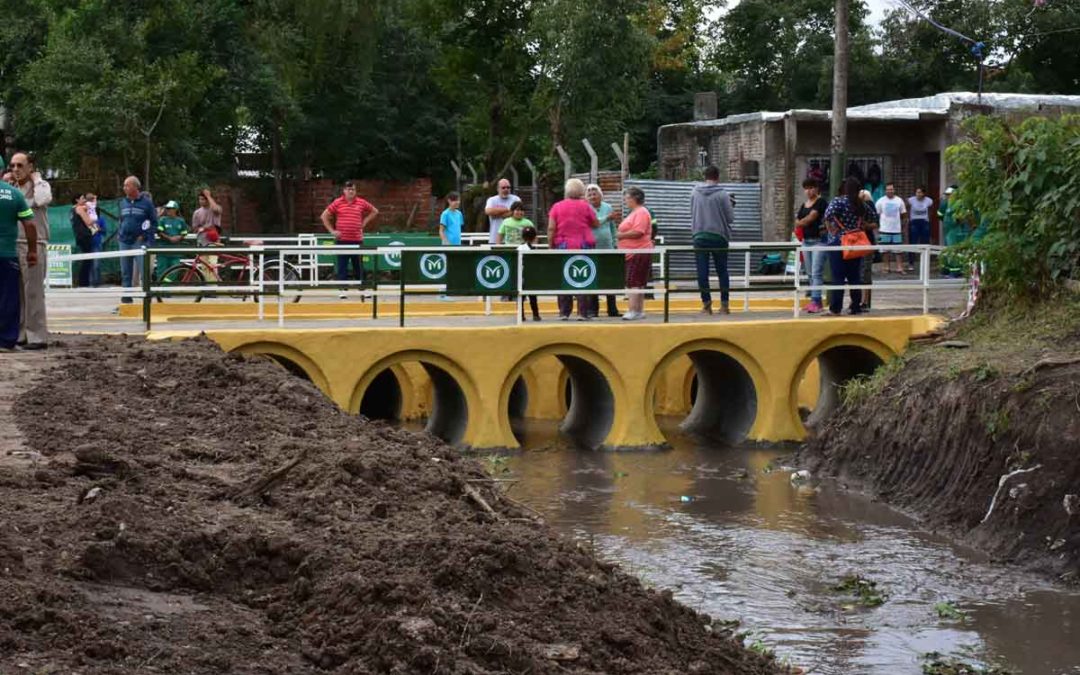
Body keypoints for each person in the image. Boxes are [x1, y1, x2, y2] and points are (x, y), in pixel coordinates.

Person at [3, 153, 50, 349]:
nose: (15, 169)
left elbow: (41, 200)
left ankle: (37, 336)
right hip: (14, 244)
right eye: (12, 165)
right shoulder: (12, 189)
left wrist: (36, 180)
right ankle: (21, 333)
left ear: (30, 167)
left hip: (34, 243)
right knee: (18, 293)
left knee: (33, 292)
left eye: (20, 165)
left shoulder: (41, 185)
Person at [548, 178, 598, 320]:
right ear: (581, 191)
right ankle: (583, 312)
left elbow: (551, 228)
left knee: (564, 278)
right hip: (583, 246)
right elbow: (595, 223)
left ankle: (564, 312)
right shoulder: (586, 206)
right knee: (583, 277)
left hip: (563, 246)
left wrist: (551, 245)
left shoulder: (557, 206)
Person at [320, 180, 378, 300]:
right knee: (342, 266)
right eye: (348, 189)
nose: (351, 191)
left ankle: (362, 289)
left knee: (359, 266)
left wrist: (364, 222)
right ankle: (343, 290)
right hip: (342, 240)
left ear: (355, 191)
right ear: (344, 191)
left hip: (357, 240)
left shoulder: (361, 202)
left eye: (353, 189)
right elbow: (324, 216)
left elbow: (374, 211)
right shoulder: (338, 202)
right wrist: (332, 231)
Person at [690, 165, 735, 315]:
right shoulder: (723, 194)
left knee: (702, 271)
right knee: (722, 271)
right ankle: (724, 305)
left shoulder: (695, 192)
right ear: (718, 177)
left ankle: (706, 305)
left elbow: (692, 212)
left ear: (705, 176)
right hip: (719, 236)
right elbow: (730, 218)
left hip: (699, 235)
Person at [0, 177, 38, 351]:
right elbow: (30, 224)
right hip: (7, 254)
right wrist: (32, 251)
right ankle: (5, 341)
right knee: (8, 298)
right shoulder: (14, 194)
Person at [823, 176, 868, 315]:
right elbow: (873, 217)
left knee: (838, 276)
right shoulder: (861, 204)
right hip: (856, 243)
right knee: (854, 276)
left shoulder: (838, 201)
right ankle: (855, 306)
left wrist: (832, 230)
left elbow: (827, 215)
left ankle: (836, 308)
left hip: (839, 242)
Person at [118, 176, 156, 304]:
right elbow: (121, 219)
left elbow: (153, 222)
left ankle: (147, 297)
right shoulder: (123, 203)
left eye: (127, 185)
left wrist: (144, 235)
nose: (124, 188)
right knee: (125, 271)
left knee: (144, 270)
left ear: (135, 187)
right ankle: (126, 297)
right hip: (124, 241)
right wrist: (120, 232)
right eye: (124, 185)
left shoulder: (146, 203)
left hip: (140, 241)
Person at [616, 187, 652, 321]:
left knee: (633, 281)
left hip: (638, 251)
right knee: (638, 281)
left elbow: (638, 231)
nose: (625, 200)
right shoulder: (636, 212)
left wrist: (620, 235)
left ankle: (633, 310)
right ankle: (638, 310)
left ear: (635, 198)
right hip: (633, 251)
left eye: (627, 198)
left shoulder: (641, 212)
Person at [795, 178, 829, 314]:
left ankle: (816, 301)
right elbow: (797, 220)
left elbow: (811, 218)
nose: (809, 191)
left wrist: (801, 222)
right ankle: (814, 300)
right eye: (806, 188)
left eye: (811, 188)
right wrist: (800, 222)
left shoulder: (821, 202)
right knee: (809, 272)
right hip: (806, 240)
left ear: (816, 189)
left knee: (816, 272)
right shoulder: (804, 204)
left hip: (819, 241)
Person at [586, 183, 620, 318]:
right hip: (592, 248)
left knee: (610, 278)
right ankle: (593, 309)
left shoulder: (608, 207)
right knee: (593, 277)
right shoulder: (586, 208)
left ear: (600, 195)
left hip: (608, 247)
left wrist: (615, 243)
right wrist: (607, 218)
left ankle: (612, 309)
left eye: (594, 194)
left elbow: (612, 227)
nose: (592, 196)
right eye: (589, 194)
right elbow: (592, 223)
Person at [875, 183, 907, 274]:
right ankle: (886, 267)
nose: (890, 191)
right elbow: (876, 215)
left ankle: (899, 267)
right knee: (885, 250)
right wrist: (877, 228)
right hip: (884, 229)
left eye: (891, 189)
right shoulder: (880, 201)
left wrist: (904, 227)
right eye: (888, 189)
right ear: (885, 191)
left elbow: (904, 215)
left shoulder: (899, 200)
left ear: (894, 190)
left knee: (898, 250)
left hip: (896, 229)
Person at [156, 200, 189, 277]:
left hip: (175, 251)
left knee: (175, 270)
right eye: (167, 208)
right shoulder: (162, 220)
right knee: (161, 270)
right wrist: (169, 238)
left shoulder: (181, 221)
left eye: (170, 208)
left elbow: (184, 232)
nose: (168, 210)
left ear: (175, 209)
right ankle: (160, 284)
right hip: (163, 250)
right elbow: (159, 232)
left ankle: (168, 283)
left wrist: (179, 237)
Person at [858, 190, 879, 312]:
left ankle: (865, 300)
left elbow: (875, 223)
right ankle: (857, 299)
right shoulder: (852, 205)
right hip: (855, 241)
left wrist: (866, 225)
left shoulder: (869, 205)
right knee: (857, 272)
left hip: (867, 241)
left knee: (866, 271)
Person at [70, 195, 96, 288]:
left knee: (85, 259)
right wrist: (93, 217)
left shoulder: (72, 210)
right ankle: (84, 283)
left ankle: (83, 282)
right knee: (87, 260)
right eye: (82, 198)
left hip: (79, 236)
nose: (84, 200)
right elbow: (88, 221)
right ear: (77, 200)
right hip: (85, 236)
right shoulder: (79, 208)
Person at [484, 179, 519, 244]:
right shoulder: (492, 200)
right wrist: (507, 209)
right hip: (494, 239)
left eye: (508, 187)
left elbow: (517, 214)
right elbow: (488, 211)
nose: (506, 189)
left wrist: (496, 214)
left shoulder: (516, 199)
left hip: (512, 240)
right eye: (503, 188)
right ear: (498, 189)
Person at [907, 187, 934, 271]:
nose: (918, 194)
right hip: (914, 222)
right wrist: (908, 219)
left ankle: (925, 262)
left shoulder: (929, 201)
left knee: (925, 241)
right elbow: (907, 209)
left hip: (924, 222)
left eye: (920, 192)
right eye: (917, 192)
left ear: (923, 193)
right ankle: (911, 263)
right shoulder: (911, 200)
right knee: (913, 242)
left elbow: (931, 210)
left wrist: (928, 219)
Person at [518, 225, 541, 322]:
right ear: (534, 237)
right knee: (533, 297)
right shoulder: (534, 250)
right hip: (530, 277)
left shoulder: (519, 247)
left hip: (521, 276)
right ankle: (536, 315)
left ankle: (521, 315)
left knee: (521, 298)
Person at [87, 193, 107, 287]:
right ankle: (90, 282)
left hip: (97, 243)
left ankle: (96, 282)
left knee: (96, 264)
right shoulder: (85, 217)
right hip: (87, 243)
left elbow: (104, 231)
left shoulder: (100, 219)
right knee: (89, 263)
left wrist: (99, 229)